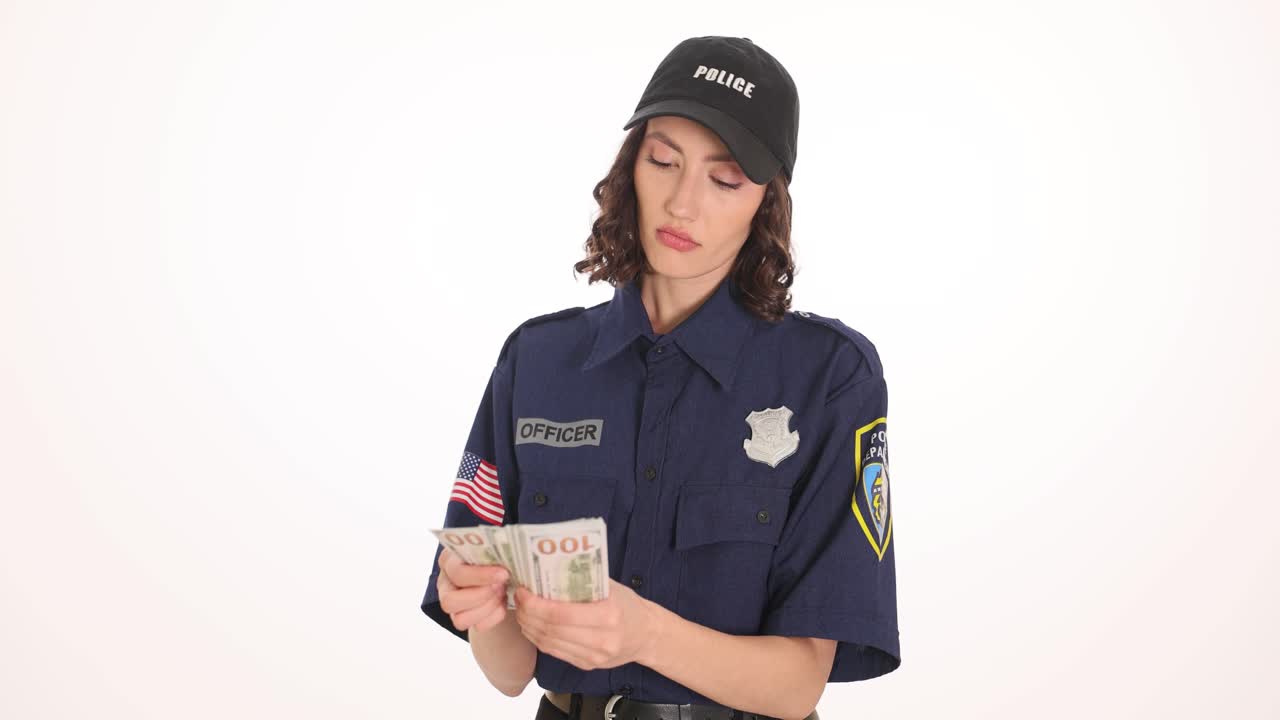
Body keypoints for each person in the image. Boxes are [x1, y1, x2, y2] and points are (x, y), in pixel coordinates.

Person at [420, 36, 900, 720]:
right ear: (631, 166)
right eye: (664, 160)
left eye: (724, 179)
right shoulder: (538, 361)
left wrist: (644, 632)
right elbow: (509, 671)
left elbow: (797, 688)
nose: (682, 204)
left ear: (767, 202)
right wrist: (482, 607)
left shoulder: (829, 377)